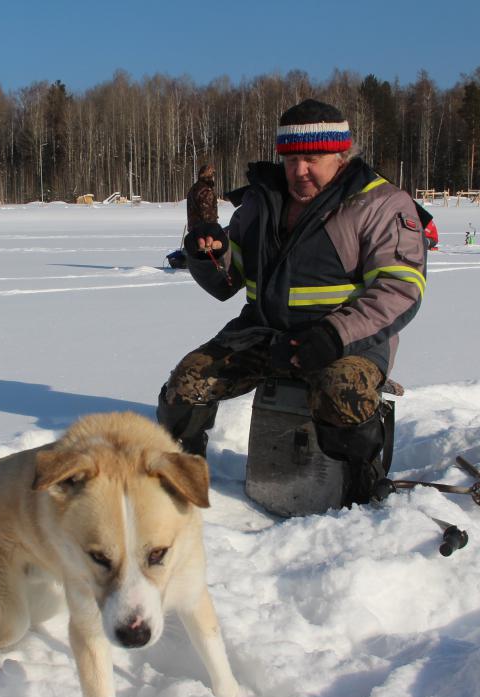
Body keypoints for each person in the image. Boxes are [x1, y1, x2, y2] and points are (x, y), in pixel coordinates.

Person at [156, 98, 427, 505]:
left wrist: (334, 335)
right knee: (183, 388)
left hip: (346, 340)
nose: (299, 171)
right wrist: (207, 253)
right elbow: (227, 281)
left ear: (341, 154)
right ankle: (181, 487)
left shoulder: (379, 203)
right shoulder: (261, 202)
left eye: (313, 158)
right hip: (262, 333)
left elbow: (400, 288)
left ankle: (361, 488)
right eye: (290, 159)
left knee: (343, 395)